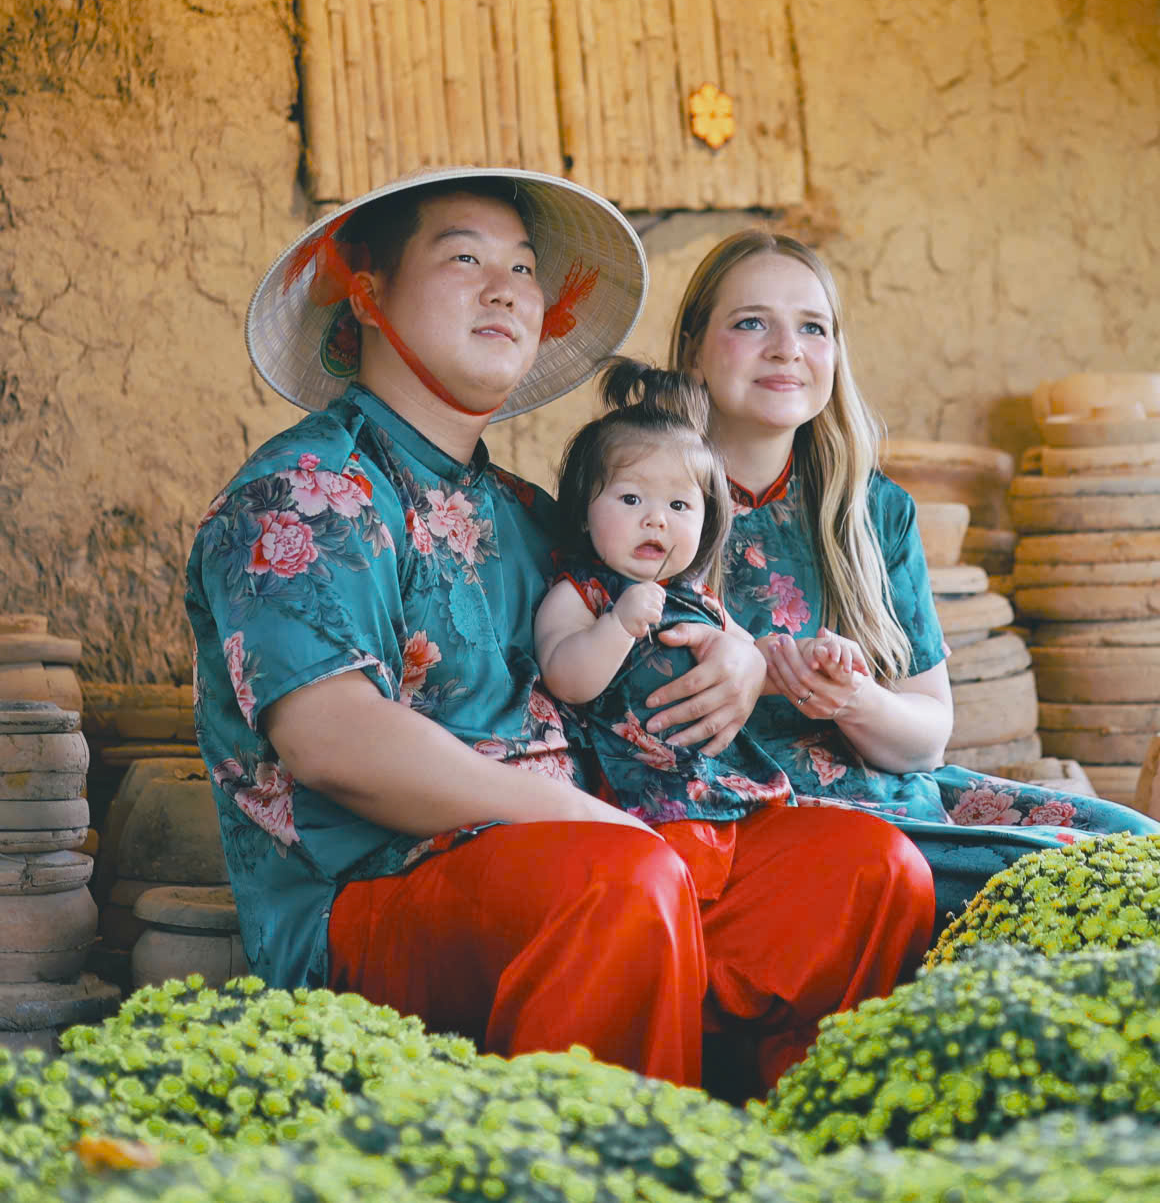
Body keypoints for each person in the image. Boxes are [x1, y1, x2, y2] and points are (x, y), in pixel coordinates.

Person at [187, 169, 934, 1093]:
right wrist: (591, 820)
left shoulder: (530, 515)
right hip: (378, 898)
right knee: (622, 885)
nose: (505, 286)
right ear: (368, 295)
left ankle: (769, 1157)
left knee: (866, 869)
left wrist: (737, 654)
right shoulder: (303, 492)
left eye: (525, 267)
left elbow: (658, 615)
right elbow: (334, 741)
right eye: (464, 257)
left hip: (607, 865)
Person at [671, 228, 1160, 918]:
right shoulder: (643, 502)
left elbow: (928, 735)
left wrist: (848, 699)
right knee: (1064, 890)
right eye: (751, 322)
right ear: (693, 349)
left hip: (898, 795)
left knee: (1141, 846)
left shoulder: (872, 510)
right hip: (748, 815)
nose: (787, 348)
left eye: (812, 327)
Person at [535, 359, 810, 877]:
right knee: (679, 880)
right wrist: (617, 625)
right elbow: (565, 677)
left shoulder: (696, 596)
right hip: (635, 793)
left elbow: (759, 658)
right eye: (631, 497)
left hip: (716, 779)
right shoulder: (583, 593)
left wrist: (796, 655)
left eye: (681, 504)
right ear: (582, 510)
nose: (656, 518)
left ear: (709, 520)